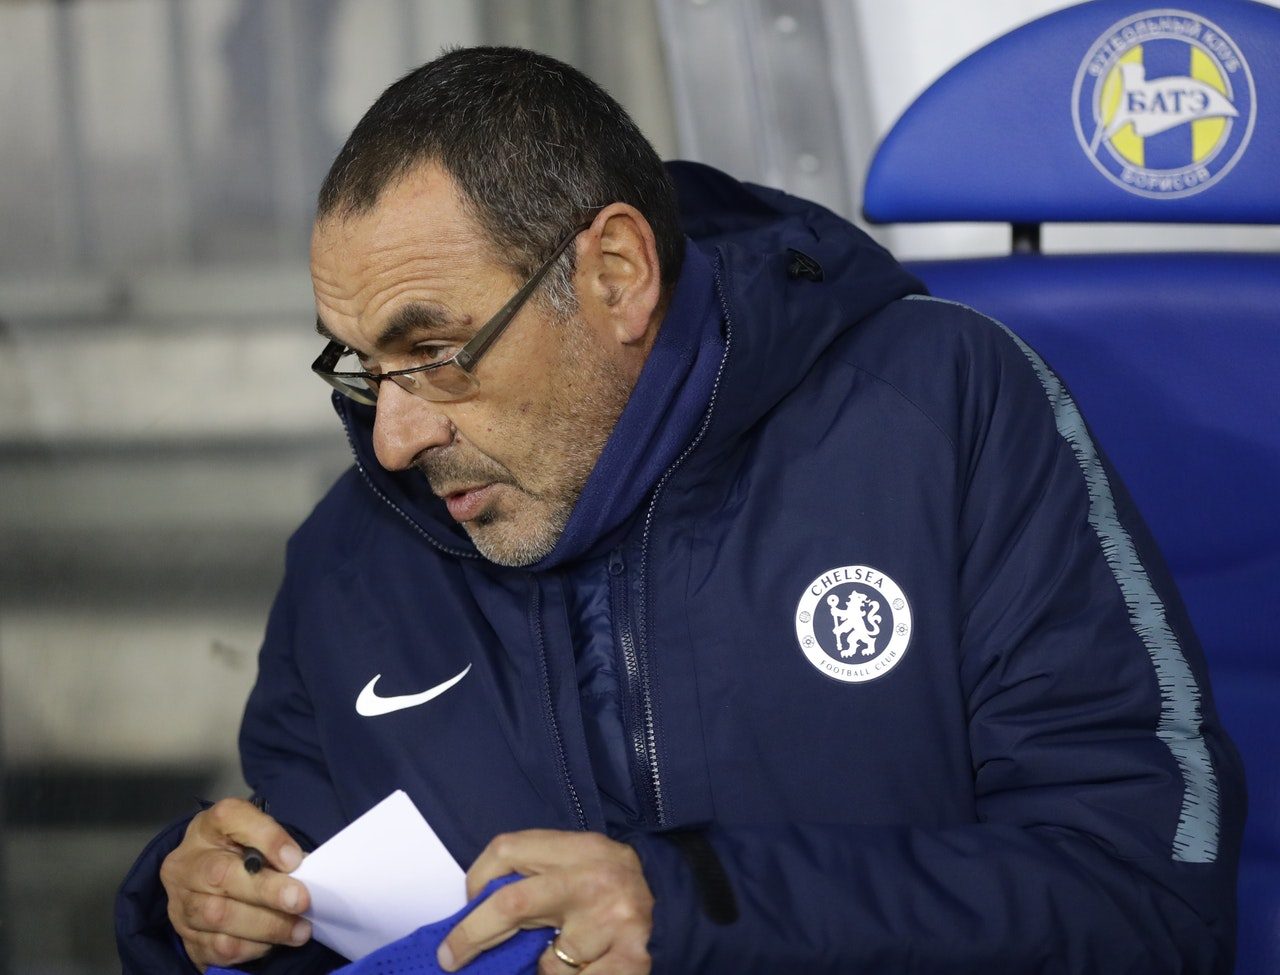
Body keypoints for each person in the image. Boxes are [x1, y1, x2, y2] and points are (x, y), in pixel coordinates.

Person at [116, 46, 1244, 974]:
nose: (394, 438)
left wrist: (700, 909)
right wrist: (205, 918)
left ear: (614, 273)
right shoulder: (347, 560)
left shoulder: (938, 409)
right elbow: (317, 908)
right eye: (364, 369)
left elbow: (1147, 898)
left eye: (438, 352)